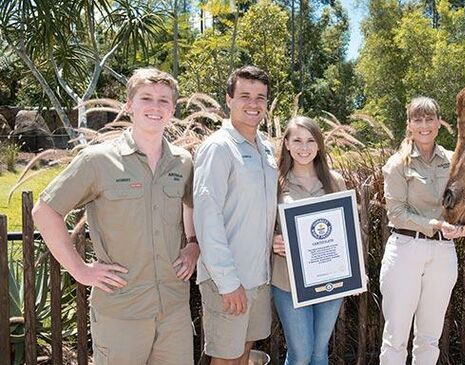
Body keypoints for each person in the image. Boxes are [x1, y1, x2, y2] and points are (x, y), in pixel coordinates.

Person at [32, 68, 200, 365]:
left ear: (173, 109)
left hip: (173, 311)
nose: (155, 107)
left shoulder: (182, 162)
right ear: (128, 105)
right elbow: (45, 211)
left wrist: (193, 244)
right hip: (121, 312)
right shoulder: (99, 160)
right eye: (146, 98)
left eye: (164, 100)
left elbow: (191, 205)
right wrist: (80, 270)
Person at [193, 66, 277, 365]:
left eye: (260, 97)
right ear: (228, 99)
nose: (253, 104)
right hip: (228, 280)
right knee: (225, 359)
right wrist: (228, 282)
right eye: (244, 96)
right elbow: (207, 217)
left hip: (259, 277)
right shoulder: (218, 148)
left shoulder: (266, 148)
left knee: (243, 353)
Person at [379, 96, 465, 364]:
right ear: (408, 125)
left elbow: (464, 203)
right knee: (396, 336)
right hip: (406, 251)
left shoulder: (454, 160)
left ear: (439, 123)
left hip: (444, 252)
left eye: (429, 118)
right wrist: (433, 225)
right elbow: (396, 214)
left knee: (430, 337)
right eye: (417, 119)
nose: (424, 125)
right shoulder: (398, 164)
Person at [271, 116, 347, 365]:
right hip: (289, 282)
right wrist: (273, 241)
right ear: (287, 144)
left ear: (319, 145)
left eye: (310, 141)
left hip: (330, 281)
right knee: (301, 353)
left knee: (319, 351)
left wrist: (354, 270)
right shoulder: (275, 182)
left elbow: (348, 230)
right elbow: (262, 226)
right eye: (297, 141)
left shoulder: (334, 181)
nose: (304, 148)